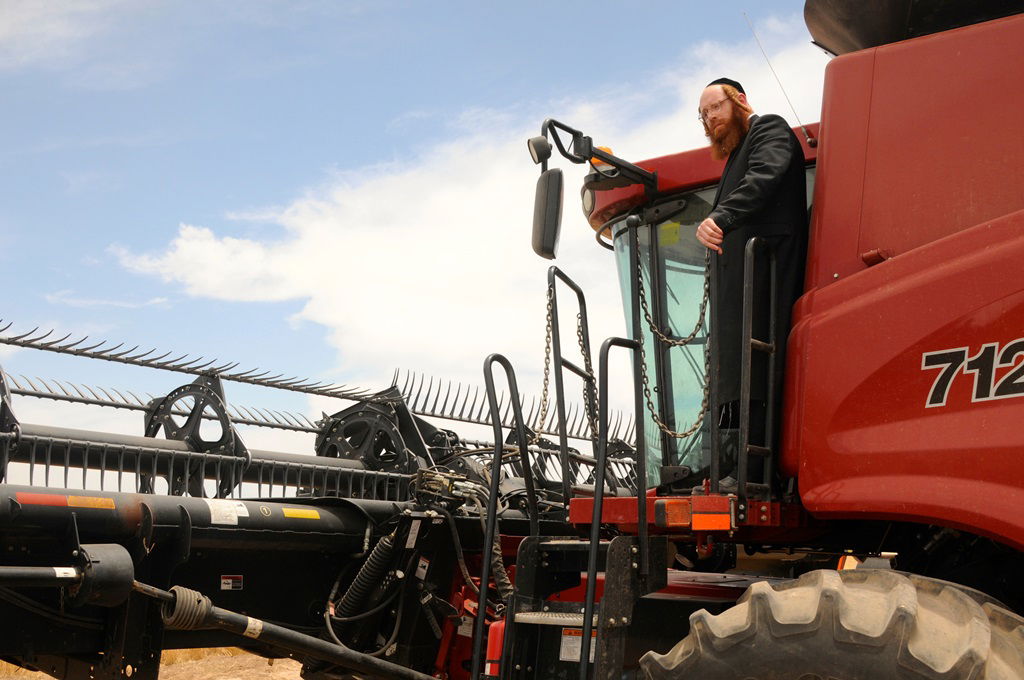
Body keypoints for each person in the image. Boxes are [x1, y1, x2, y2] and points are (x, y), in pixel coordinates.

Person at [693, 77, 808, 480]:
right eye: (703, 114)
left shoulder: (770, 129)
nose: (710, 119)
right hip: (740, 295)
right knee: (737, 377)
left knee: (760, 377)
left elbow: (765, 175)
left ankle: (759, 469)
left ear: (740, 100)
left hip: (766, 284)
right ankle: (731, 465)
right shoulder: (733, 158)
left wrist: (720, 216)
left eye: (715, 108)